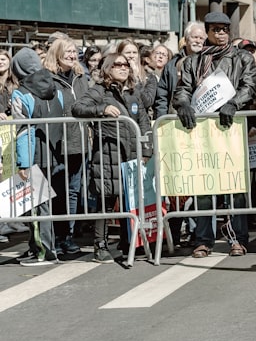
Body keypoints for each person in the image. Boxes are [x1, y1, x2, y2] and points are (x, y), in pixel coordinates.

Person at [173, 10, 256, 257]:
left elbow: (250, 86)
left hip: (231, 127)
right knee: (204, 185)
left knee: (234, 186)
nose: (221, 34)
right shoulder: (192, 61)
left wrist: (234, 103)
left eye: (225, 29)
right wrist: (184, 104)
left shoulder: (243, 58)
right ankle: (203, 239)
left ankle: (238, 238)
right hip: (203, 131)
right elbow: (183, 89)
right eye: (216, 30)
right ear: (208, 33)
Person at [72, 54, 153, 262]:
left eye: (126, 65)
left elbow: (143, 121)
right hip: (108, 153)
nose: (123, 68)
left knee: (131, 200)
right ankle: (100, 245)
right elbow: (78, 108)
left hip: (131, 153)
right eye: (118, 65)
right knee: (106, 201)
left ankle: (130, 242)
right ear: (108, 68)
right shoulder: (100, 90)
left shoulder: (134, 92)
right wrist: (102, 109)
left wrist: (146, 151)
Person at [11, 48, 65, 266]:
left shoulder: (20, 93)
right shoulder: (56, 87)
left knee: (36, 206)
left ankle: (43, 251)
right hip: (54, 153)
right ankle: (40, 247)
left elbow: (22, 129)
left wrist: (23, 162)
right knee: (46, 204)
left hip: (33, 155)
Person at [43, 37, 91, 256]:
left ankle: (68, 236)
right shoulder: (49, 79)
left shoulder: (81, 76)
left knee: (73, 190)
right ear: (57, 54)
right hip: (57, 143)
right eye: (67, 52)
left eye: (74, 51)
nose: (72, 55)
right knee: (58, 192)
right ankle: (57, 235)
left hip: (78, 142)